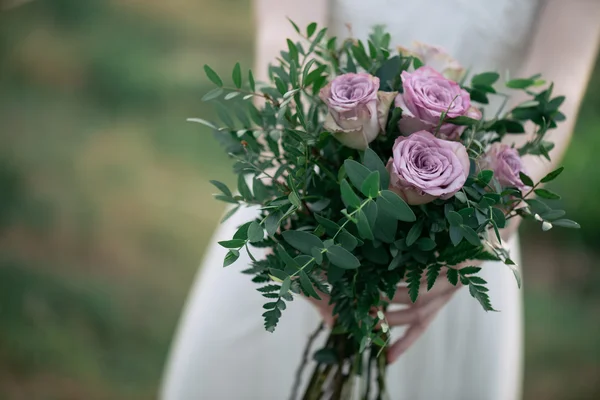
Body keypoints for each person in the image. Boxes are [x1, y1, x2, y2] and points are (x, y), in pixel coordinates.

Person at [161, 1, 600, 399]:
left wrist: (491, 218)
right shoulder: (297, 188)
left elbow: (554, 86)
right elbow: (285, 32)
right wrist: (287, 172)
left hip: (458, 240)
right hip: (306, 199)